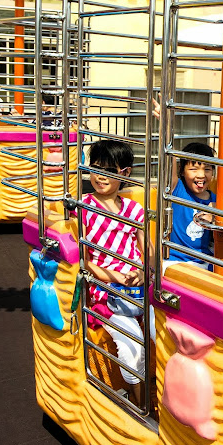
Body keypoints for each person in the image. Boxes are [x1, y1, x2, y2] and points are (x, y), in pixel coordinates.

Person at [82, 139, 154, 406]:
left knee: (167, 333)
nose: (100, 176)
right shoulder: (84, 207)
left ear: (125, 173)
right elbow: (84, 261)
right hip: (106, 293)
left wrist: (143, 272)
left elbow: (148, 251)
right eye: (96, 168)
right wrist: (115, 277)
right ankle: (141, 406)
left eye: (109, 170)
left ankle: (165, 397)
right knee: (132, 347)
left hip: (138, 288)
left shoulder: (134, 210)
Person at [167, 142, 217, 270]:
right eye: (193, 169)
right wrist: (166, 132)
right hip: (177, 261)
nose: (201, 175)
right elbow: (169, 158)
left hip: (205, 261)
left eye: (207, 169)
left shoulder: (215, 199)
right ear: (182, 171)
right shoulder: (177, 189)